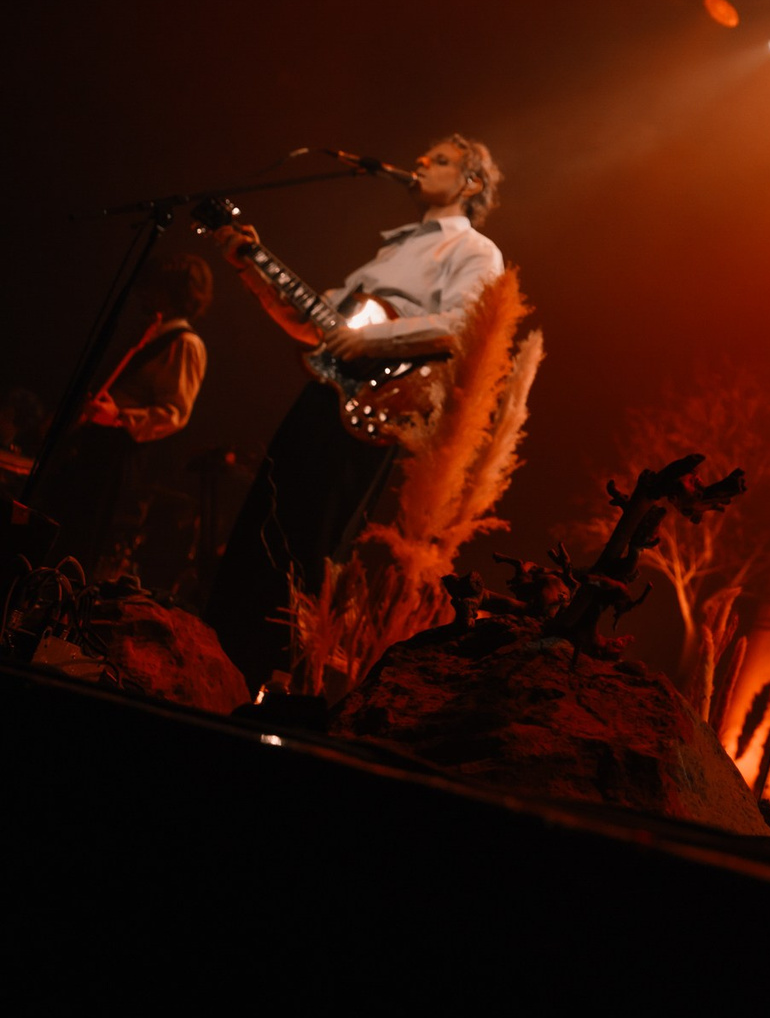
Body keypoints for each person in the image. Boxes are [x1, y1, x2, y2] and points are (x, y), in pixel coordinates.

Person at [204, 136, 504, 689]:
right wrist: (251, 265)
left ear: (470, 183)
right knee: (263, 519)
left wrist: (373, 341)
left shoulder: (475, 251)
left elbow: (464, 325)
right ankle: (217, 655)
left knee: (308, 540)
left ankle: (255, 675)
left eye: (437, 160)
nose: (419, 161)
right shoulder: (394, 250)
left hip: (376, 406)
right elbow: (312, 324)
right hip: (326, 392)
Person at [37, 256, 213, 577]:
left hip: (118, 455)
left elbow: (175, 414)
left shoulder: (186, 344)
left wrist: (118, 417)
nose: (147, 291)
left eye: (159, 286)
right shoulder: (151, 332)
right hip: (94, 445)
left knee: (81, 543)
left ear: (174, 292)